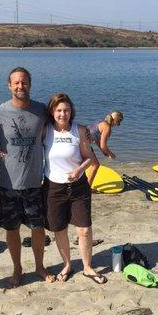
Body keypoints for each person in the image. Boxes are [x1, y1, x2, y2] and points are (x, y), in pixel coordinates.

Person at [0, 67, 55, 288]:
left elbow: (65, 124)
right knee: (12, 229)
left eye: (24, 82)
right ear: (9, 85)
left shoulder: (42, 110)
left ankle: (40, 267)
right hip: (7, 184)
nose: (20, 86)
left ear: (30, 84)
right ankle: (17, 269)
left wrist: (95, 131)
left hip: (34, 182)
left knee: (38, 228)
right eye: (16, 83)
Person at [42, 93, 107, 284]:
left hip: (78, 187)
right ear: (52, 111)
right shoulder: (45, 131)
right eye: (59, 110)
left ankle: (87, 267)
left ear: (71, 112)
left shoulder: (79, 130)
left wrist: (79, 169)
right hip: (54, 187)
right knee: (59, 229)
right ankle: (67, 265)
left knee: (84, 230)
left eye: (67, 110)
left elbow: (90, 158)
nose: (63, 114)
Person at [86, 111, 124, 186]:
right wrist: (111, 154)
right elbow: (103, 146)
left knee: (81, 165)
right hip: (83, 145)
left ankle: (82, 185)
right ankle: (87, 188)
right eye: (119, 122)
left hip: (79, 142)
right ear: (115, 120)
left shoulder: (101, 122)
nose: (118, 124)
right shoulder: (107, 128)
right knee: (95, 165)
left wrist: (104, 152)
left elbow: (96, 139)